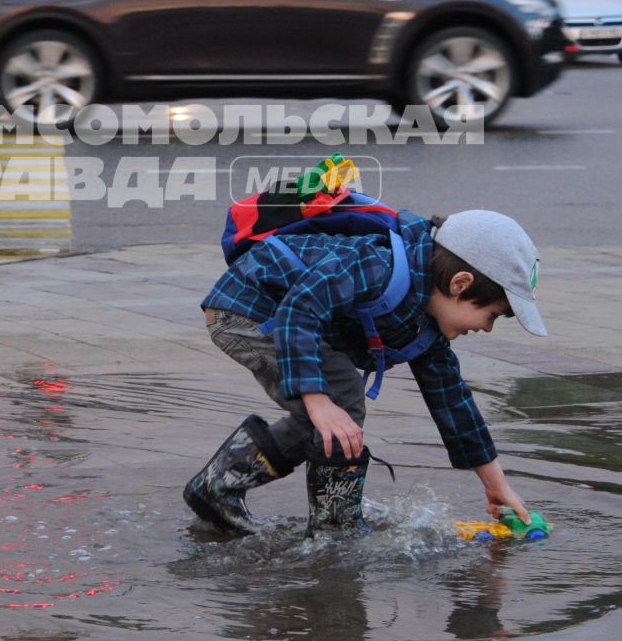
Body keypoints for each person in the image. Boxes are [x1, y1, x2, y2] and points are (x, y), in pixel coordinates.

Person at [186, 204, 544, 538]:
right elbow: (300, 309)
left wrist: (497, 486)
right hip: (247, 310)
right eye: (492, 315)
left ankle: (219, 489)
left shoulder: (425, 324)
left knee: (336, 409)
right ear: (460, 284)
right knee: (338, 403)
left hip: (281, 320)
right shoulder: (378, 265)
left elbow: (453, 402)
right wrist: (316, 399)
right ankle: (336, 529)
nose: (487, 328)